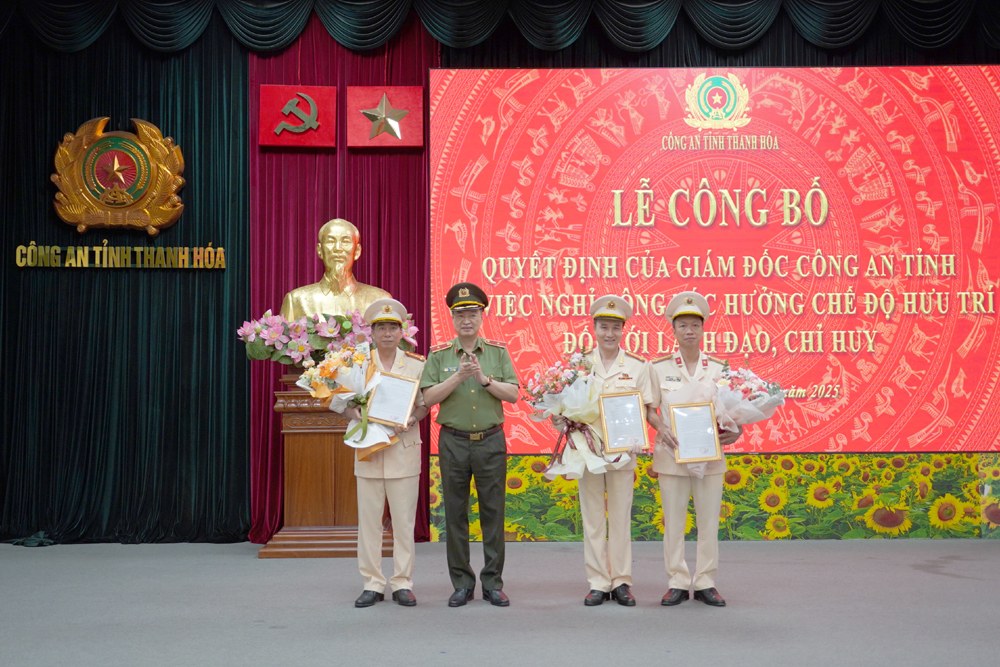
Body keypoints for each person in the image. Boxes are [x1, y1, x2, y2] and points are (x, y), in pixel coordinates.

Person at [560, 295, 666, 606]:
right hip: (587, 453)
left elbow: (648, 409)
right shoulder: (577, 365)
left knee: (620, 518)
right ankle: (597, 582)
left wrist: (649, 435)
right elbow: (564, 407)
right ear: (593, 328)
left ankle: (621, 581)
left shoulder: (637, 366)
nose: (609, 333)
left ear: (623, 331)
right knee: (592, 518)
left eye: (615, 328)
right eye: (603, 327)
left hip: (623, 452)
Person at [420, 283, 519, 607]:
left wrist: (484, 380)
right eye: (460, 314)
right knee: (455, 515)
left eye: (472, 313)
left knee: (493, 514)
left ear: (481, 316)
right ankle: (461, 582)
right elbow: (428, 398)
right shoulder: (438, 355)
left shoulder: (497, 353)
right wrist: (458, 377)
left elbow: (514, 395)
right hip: (454, 443)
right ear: (452, 317)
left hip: (490, 442)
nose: (466, 319)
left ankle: (493, 582)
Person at [651, 291, 742, 608]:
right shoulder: (658, 368)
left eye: (695, 325)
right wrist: (660, 427)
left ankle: (705, 581)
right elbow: (649, 408)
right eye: (682, 326)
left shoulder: (719, 368)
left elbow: (734, 410)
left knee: (708, 522)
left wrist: (737, 428)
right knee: (673, 523)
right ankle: (676, 581)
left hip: (709, 455)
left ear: (703, 330)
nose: (689, 331)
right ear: (673, 330)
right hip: (671, 455)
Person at [349, 299, 428, 608]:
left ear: (401, 332)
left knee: (404, 522)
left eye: (392, 327)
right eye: (380, 327)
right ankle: (372, 582)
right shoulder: (357, 363)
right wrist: (354, 412)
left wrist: (414, 417)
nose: (386, 333)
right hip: (369, 450)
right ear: (372, 332)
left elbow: (424, 403)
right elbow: (340, 402)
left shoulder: (417, 364)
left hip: (403, 449)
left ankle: (402, 583)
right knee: (368, 522)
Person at [279, 218, 390, 320]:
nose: (338, 248)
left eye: (345, 241)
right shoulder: (296, 300)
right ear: (320, 250)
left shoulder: (379, 300)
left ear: (357, 251)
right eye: (330, 241)